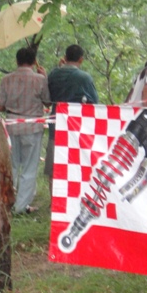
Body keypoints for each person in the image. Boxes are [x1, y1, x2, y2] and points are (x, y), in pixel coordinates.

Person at [0, 47, 50, 215]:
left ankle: (8, 201)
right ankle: (21, 206)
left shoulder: (6, 80)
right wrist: (45, 77)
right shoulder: (40, 80)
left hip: (12, 125)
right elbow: (48, 102)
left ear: (16, 60)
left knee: (12, 165)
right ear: (34, 61)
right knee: (29, 167)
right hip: (33, 126)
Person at [45, 44, 99, 191]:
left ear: (65, 57)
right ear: (81, 59)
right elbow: (95, 103)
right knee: (75, 167)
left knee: (55, 168)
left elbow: (48, 98)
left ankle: (54, 199)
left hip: (55, 126)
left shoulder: (53, 74)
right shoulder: (84, 78)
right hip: (76, 128)